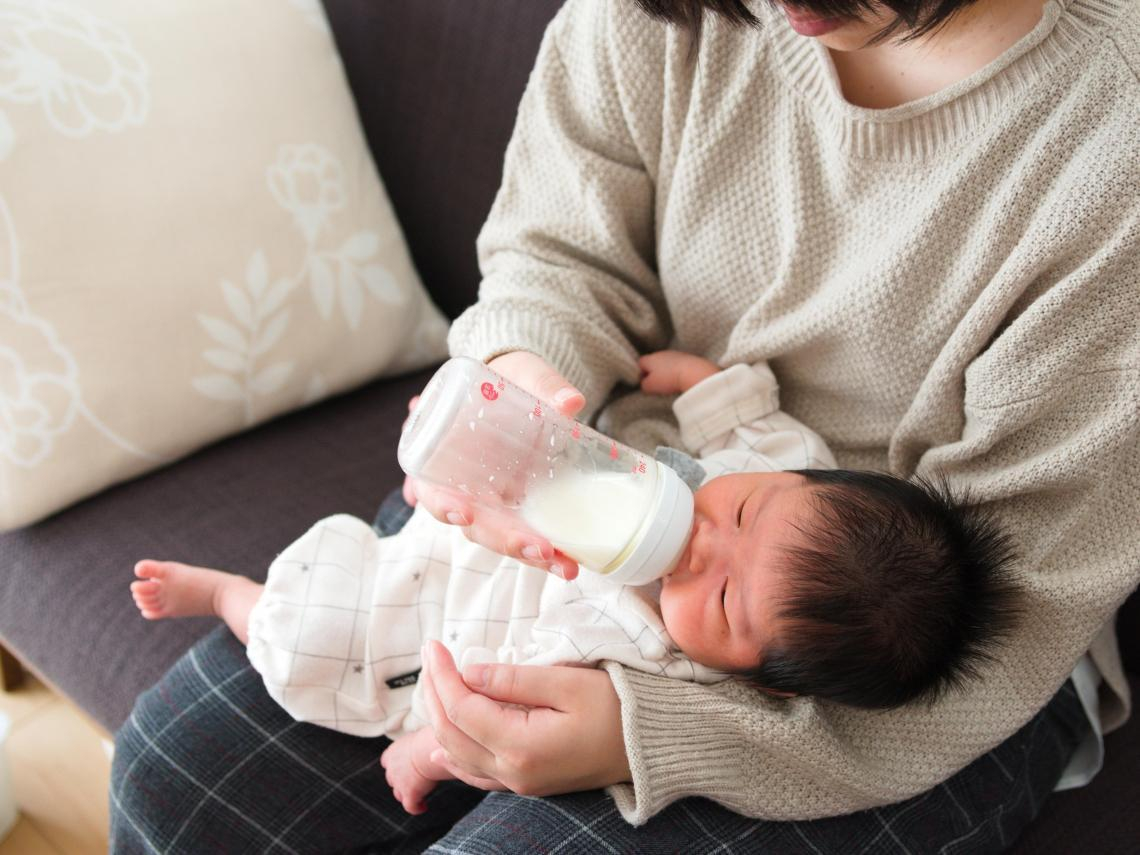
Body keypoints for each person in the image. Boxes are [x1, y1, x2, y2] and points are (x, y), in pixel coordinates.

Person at [110, 0, 1139, 851]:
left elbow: (1017, 610)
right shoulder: (669, 15)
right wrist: (519, 398)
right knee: (175, 788)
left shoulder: (1110, 149)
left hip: (911, 660)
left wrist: (651, 731)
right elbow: (558, 254)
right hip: (626, 470)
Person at [127, 350, 1019, 815]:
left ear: (751, 676)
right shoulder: (787, 474)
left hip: (435, 623)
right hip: (466, 531)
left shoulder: (643, 659)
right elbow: (759, 425)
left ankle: (226, 595)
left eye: (720, 601)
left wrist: (431, 750)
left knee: (313, 630)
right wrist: (708, 385)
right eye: (744, 516)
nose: (706, 541)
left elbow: (505, 702)